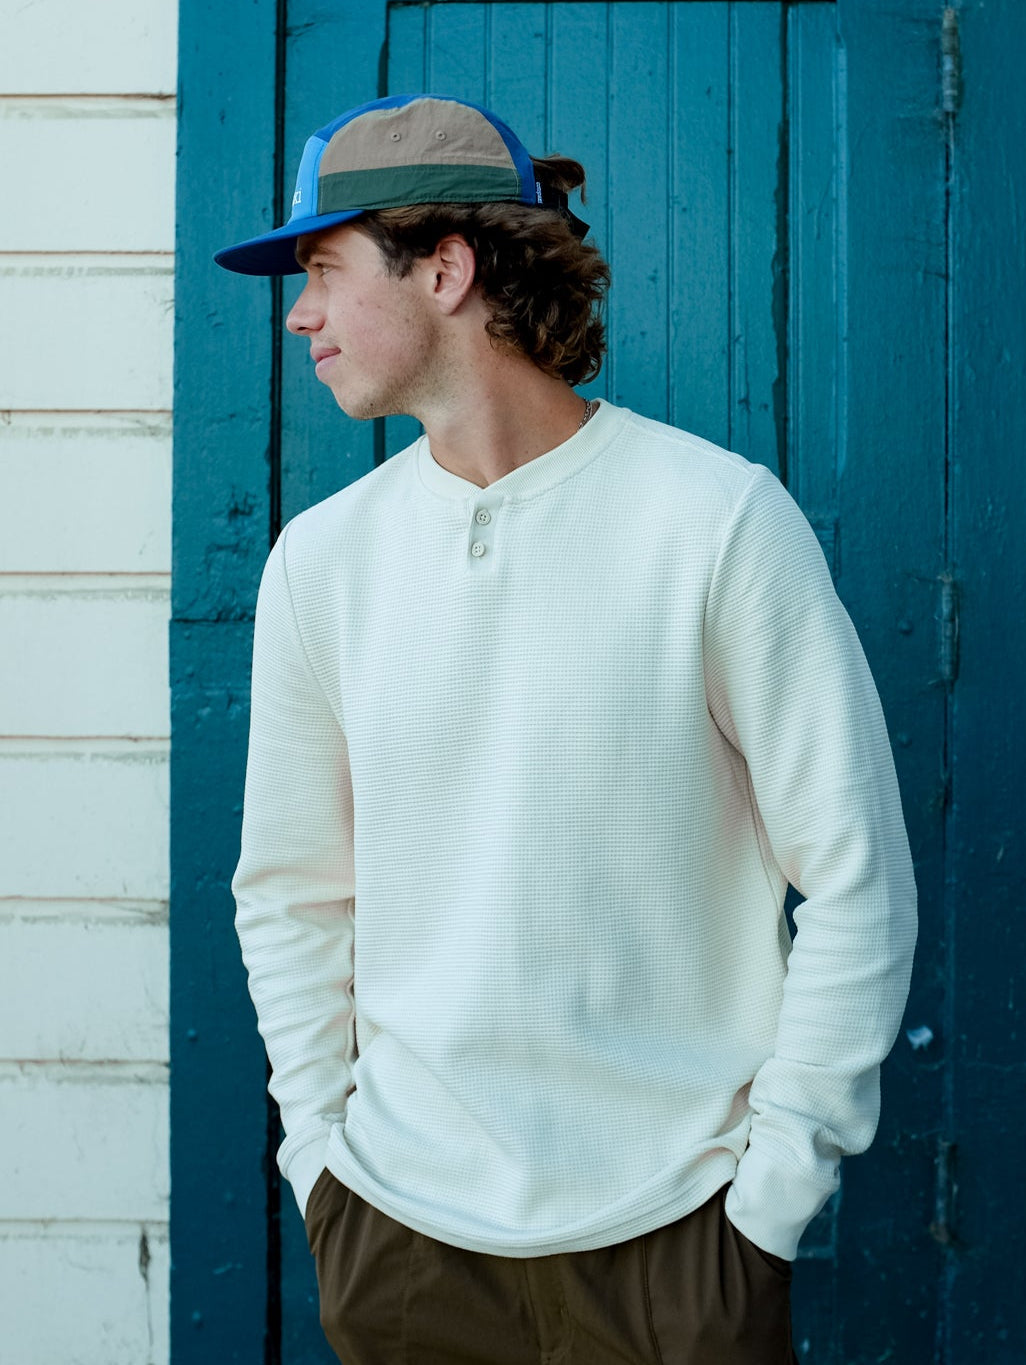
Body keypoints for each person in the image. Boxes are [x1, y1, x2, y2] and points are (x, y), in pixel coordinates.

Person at [220, 93, 916, 1365]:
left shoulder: (715, 522)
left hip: (677, 1245)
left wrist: (769, 1200)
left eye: (323, 270)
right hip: (401, 1240)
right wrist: (322, 1159)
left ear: (445, 270)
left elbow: (859, 879)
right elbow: (291, 892)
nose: (299, 315)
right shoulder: (322, 564)